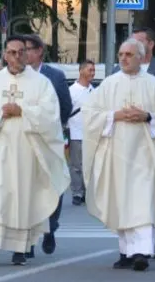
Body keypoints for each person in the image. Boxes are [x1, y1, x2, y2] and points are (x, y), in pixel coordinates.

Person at [82, 39, 155, 271]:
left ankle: (141, 252)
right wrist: (114, 115)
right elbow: (89, 113)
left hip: (145, 154)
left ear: (140, 57)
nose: (123, 58)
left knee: (142, 200)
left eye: (129, 54)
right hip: (116, 152)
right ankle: (126, 251)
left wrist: (147, 116)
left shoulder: (154, 85)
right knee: (122, 200)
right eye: (121, 54)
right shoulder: (109, 84)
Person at [0, 35, 68, 267]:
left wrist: (21, 110)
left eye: (21, 52)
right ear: (5, 55)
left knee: (24, 197)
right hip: (0, 148)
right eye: (12, 52)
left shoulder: (41, 82)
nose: (16, 56)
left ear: (27, 54)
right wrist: (1, 111)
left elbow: (50, 115)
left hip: (27, 151)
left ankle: (20, 250)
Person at [20, 34, 72, 255]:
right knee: (28, 188)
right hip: (22, 140)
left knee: (53, 185)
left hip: (49, 139)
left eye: (28, 49)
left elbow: (65, 107)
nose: (24, 54)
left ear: (40, 51)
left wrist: (47, 124)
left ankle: (50, 227)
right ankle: (29, 240)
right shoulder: (16, 77)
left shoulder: (55, 76)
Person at [67, 60, 97, 206]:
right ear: (81, 71)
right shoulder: (71, 91)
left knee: (90, 164)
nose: (92, 73)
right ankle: (77, 192)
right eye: (90, 70)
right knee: (76, 165)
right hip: (76, 132)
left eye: (93, 70)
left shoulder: (95, 91)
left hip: (92, 133)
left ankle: (88, 192)